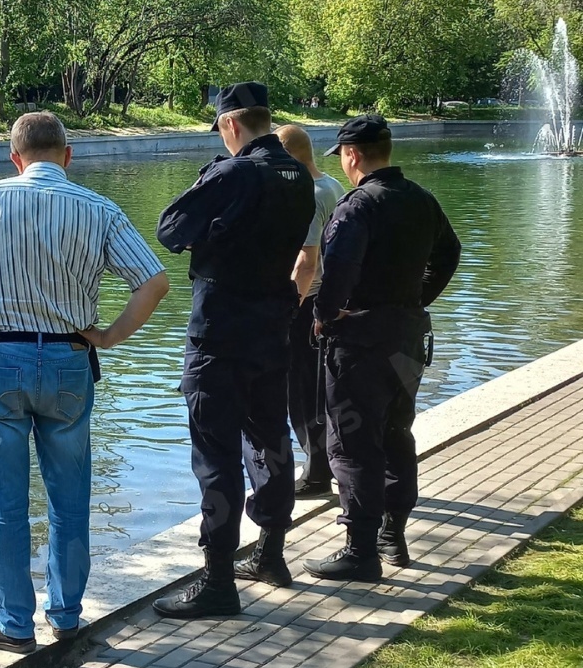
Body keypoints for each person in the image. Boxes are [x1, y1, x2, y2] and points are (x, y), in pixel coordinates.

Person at [0, 111, 169, 653]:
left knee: (4, 502)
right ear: (68, 155)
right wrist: (110, 336)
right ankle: (67, 615)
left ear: (15, 157)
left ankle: (13, 624)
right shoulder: (100, 209)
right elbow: (154, 281)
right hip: (69, 359)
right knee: (70, 497)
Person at [153, 82, 314, 618]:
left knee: (216, 457)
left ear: (229, 125)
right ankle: (271, 554)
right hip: (273, 331)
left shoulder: (231, 173)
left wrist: (214, 226)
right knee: (271, 440)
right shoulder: (298, 176)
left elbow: (170, 229)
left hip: (219, 336)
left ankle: (219, 580)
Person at [306, 115, 460, 581]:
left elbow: (337, 276)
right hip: (408, 336)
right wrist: (414, 300)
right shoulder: (421, 199)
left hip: (360, 342)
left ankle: (360, 549)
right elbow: (449, 253)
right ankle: (392, 535)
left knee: (352, 443)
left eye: (344, 158)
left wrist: (324, 316)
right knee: (397, 433)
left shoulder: (356, 208)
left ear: (351, 155)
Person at [276, 124, 346, 498]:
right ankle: (323, 463)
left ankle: (315, 469)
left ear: (287, 155)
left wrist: (291, 305)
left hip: (306, 303)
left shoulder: (309, 194)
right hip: (330, 301)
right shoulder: (333, 185)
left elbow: (307, 259)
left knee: (301, 390)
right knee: (321, 388)